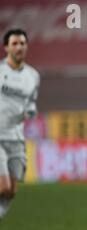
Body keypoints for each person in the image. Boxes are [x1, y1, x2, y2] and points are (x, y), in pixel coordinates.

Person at [0, 29, 40, 220]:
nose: (19, 47)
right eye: (14, 43)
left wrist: (30, 111)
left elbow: (31, 103)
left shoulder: (32, 76)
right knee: (3, 186)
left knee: (11, 192)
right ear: (6, 47)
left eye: (22, 43)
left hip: (16, 137)